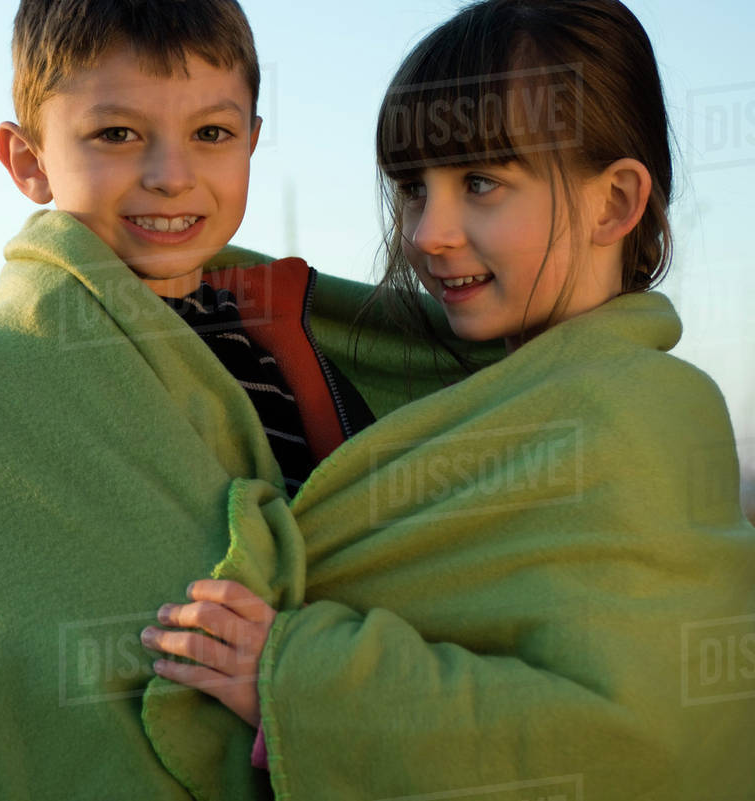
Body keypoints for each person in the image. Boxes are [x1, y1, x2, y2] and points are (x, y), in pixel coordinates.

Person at [0, 1, 498, 799]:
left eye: (211, 133)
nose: (172, 174)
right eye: (116, 134)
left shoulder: (293, 344)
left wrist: (309, 678)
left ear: (252, 140)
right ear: (28, 160)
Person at [141, 1, 755, 799]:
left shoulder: (642, 414)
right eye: (412, 189)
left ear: (613, 203)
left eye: (480, 183)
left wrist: (294, 673)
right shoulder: (480, 390)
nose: (428, 233)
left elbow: (637, 742)